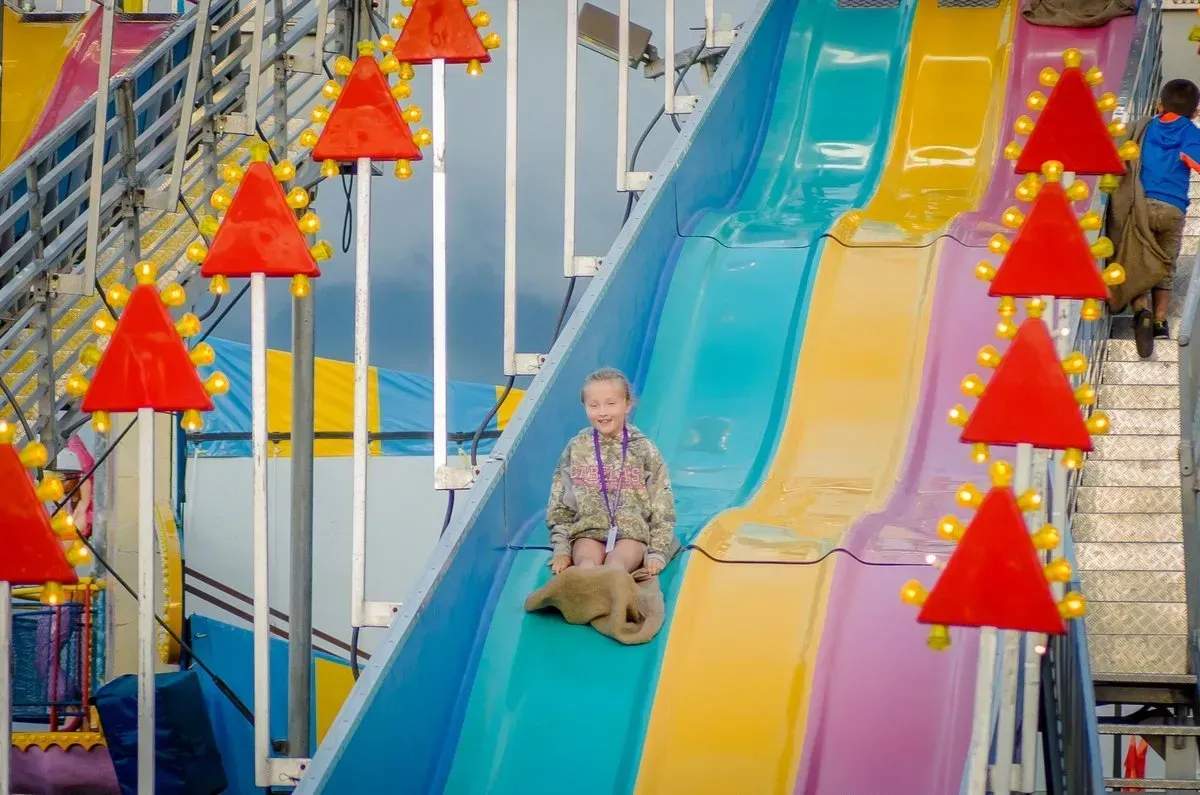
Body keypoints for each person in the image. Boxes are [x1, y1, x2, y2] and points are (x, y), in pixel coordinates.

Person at [546, 367, 676, 578]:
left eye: (611, 403)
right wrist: (562, 549)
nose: (602, 412)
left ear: (627, 404)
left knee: (615, 568)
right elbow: (560, 505)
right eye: (593, 405)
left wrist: (657, 552)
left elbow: (662, 504)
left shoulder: (644, 449)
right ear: (585, 407)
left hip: (631, 535)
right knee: (586, 568)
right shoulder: (577, 447)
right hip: (588, 533)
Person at [1108, 78, 1200, 358]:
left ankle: (1141, 310)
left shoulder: (1145, 128)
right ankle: (1161, 321)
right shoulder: (1190, 133)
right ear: (1195, 112)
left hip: (1142, 205)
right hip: (1173, 209)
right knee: (1165, 265)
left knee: (1136, 258)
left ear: (1160, 104)